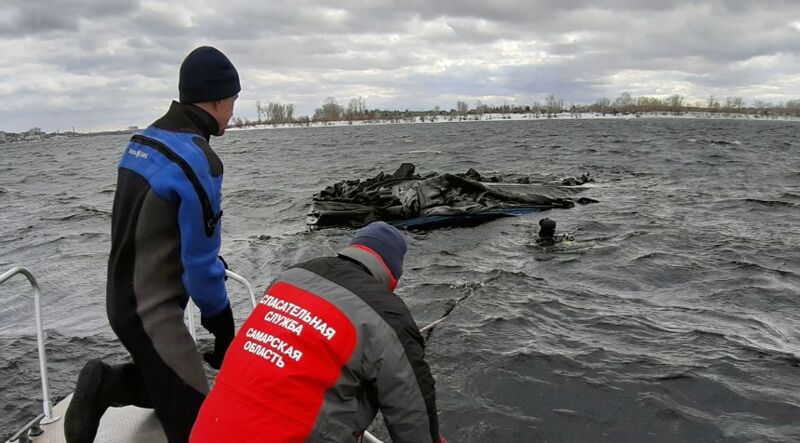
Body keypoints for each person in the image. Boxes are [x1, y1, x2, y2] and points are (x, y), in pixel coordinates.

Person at [64, 46, 241, 443]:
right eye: (232, 100)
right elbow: (199, 263)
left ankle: (107, 386)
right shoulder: (198, 160)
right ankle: (106, 383)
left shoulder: (143, 140)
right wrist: (222, 324)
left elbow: (157, 228)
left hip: (120, 297)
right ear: (216, 99)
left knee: (169, 381)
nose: (233, 110)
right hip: (152, 312)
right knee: (198, 424)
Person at [190, 222, 445, 443]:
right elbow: (413, 418)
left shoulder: (291, 276)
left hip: (206, 429)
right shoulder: (388, 315)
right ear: (392, 275)